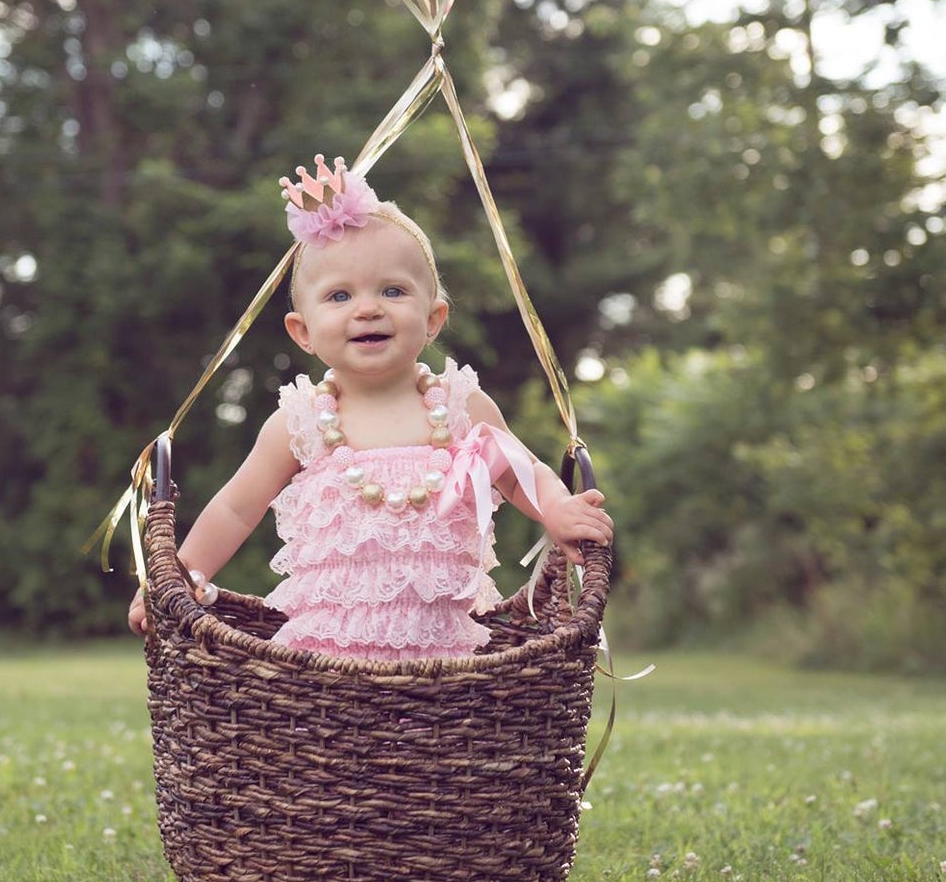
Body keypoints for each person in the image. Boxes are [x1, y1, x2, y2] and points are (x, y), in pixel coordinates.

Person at [127, 156, 612, 658]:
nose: (367, 308)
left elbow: (520, 473)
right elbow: (235, 508)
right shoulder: (300, 423)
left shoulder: (461, 407)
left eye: (393, 290)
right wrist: (177, 578)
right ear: (303, 332)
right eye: (339, 295)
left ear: (433, 319)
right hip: (326, 654)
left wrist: (557, 509)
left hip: (441, 655)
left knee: (440, 734)